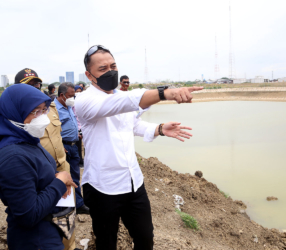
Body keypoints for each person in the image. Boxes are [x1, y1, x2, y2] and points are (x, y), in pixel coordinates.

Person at [75, 45, 203, 250]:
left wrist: (160, 129)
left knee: (145, 239)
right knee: (106, 243)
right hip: (103, 187)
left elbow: (131, 125)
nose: (111, 71)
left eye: (113, 66)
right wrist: (165, 93)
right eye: (103, 68)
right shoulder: (85, 101)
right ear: (89, 75)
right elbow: (126, 101)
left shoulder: (117, 95)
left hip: (133, 182)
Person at [0, 84, 77, 250]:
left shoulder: (28, 140)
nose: (43, 117)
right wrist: (59, 182)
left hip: (47, 229)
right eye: (35, 111)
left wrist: (56, 176)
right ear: (14, 113)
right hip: (35, 240)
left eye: (44, 110)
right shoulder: (14, 156)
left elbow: (36, 172)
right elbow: (28, 215)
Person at [40, 86, 79, 249]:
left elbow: (56, 133)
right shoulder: (23, 115)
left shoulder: (50, 108)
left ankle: (69, 246)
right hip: (43, 171)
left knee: (68, 211)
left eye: (37, 86)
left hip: (63, 166)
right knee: (46, 212)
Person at [55, 82, 89, 214]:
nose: (72, 98)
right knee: (63, 177)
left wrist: (77, 134)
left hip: (74, 146)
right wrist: (59, 146)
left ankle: (79, 204)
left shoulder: (69, 106)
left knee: (75, 176)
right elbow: (52, 131)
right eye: (70, 96)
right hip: (63, 147)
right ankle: (64, 207)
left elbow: (73, 123)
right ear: (62, 95)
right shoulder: (53, 109)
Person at [73, 85, 84, 166]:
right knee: (77, 145)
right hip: (76, 126)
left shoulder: (83, 102)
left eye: (80, 92)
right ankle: (79, 159)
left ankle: (83, 159)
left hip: (83, 125)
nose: (78, 93)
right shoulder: (72, 102)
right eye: (77, 91)